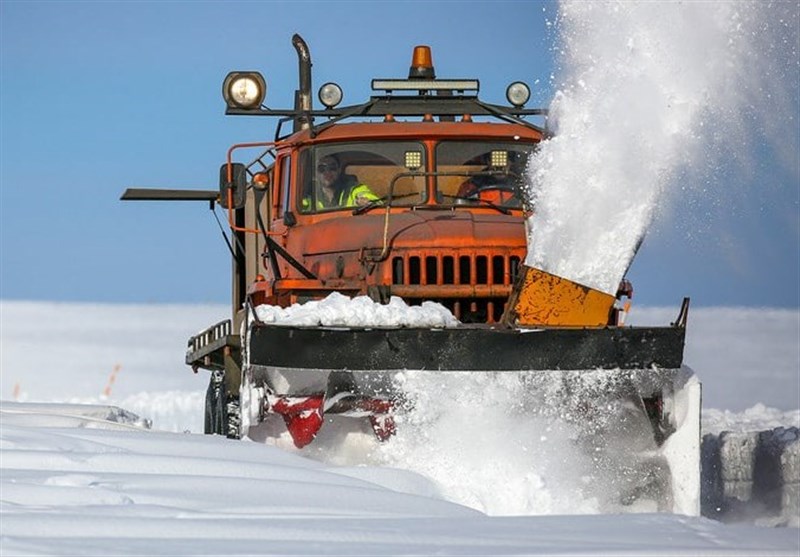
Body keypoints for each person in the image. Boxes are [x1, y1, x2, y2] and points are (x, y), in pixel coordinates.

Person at [311, 154, 379, 209]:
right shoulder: (310, 197)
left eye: (332, 168)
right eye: (322, 169)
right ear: (315, 173)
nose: (327, 172)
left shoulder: (354, 189)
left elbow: (377, 204)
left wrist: (367, 202)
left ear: (339, 170)